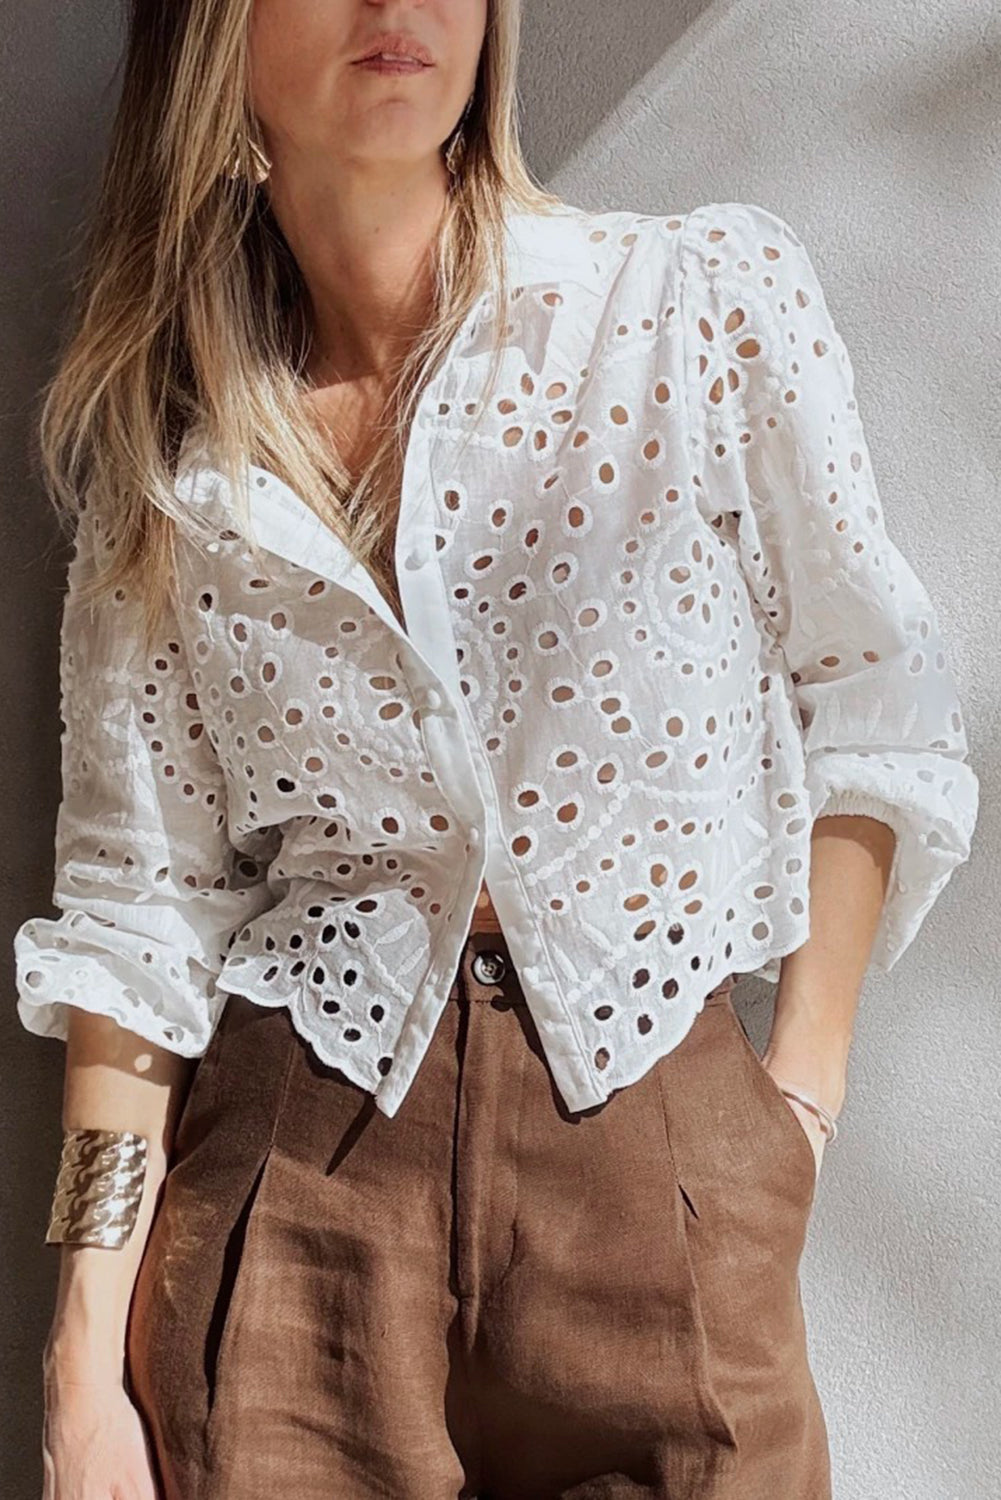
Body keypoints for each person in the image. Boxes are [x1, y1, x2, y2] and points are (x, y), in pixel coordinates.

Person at [15, 2, 979, 1498]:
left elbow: (878, 691)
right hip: (296, 1196)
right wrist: (83, 1367)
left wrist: (796, 1093)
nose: (399, 6)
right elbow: (136, 918)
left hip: (663, 1157)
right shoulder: (175, 463)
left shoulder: (687, 307)